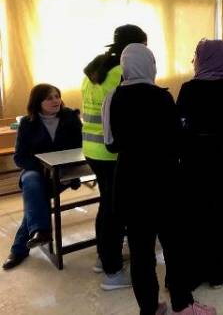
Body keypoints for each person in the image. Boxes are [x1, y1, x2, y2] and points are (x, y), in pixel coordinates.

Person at [103, 44, 215, 315]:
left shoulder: (112, 97)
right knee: (175, 246)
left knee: (141, 252)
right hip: (164, 182)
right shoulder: (161, 97)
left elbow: (110, 144)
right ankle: (183, 304)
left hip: (129, 183)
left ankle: (150, 308)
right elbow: (178, 142)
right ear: (149, 65)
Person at [82, 24, 146, 289]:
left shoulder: (94, 71)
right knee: (115, 211)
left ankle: (103, 258)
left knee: (107, 205)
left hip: (92, 148)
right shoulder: (122, 73)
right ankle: (113, 271)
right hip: (112, 152)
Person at [176, 39, 223, 289]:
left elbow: (179, 123)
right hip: (220, 157)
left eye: (196, 55)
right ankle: (218, 272)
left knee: (192, 214)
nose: (194, 60)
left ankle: (193, 272)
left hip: (192, 158)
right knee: (219, 214)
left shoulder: (189, 88)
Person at [3, 84, 82, 270]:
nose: (55, 101)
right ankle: (37, 234)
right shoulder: (27, 123)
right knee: (32, 184)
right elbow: (20, 157)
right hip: (37, 172)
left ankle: (27, 243)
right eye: (49, 98)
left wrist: (65, 170)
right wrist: (45, 168)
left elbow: (80, 148)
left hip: (64, 173)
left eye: (57, 96)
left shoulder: (70, 117)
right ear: (38, 102)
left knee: (35, 198)